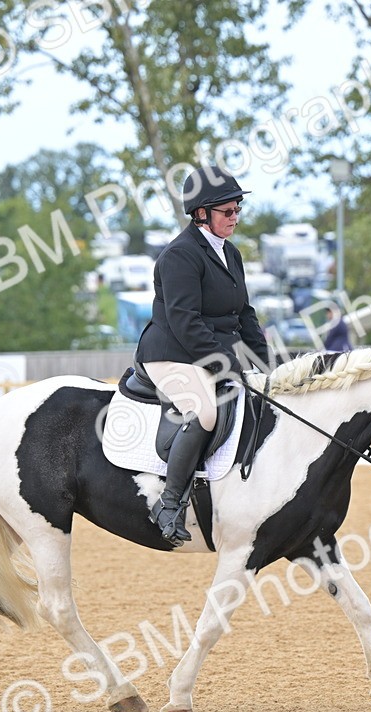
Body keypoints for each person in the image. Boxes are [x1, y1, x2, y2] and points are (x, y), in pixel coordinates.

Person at [134, 165, 271, 545]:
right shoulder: (179, 255)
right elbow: (184, 321)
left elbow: (244, 315)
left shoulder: (231, 254)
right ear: (201, 214)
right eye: (227, 212)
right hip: (171, 353)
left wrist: (266, 366)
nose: (235, 219)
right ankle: (169, 503)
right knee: (205, 410)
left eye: (238, 210)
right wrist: (226, 366)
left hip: (206, 352)